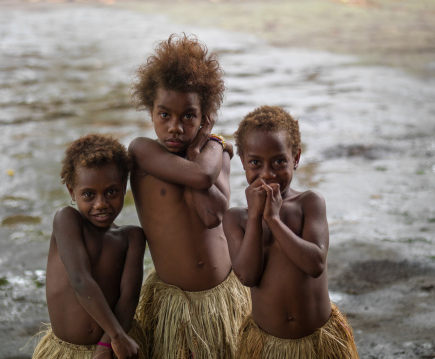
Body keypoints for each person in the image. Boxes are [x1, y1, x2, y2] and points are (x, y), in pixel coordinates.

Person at [128, 33, 251, 359]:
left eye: (188, 116)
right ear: (150, 111)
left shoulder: (215, 151)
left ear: (205, 116)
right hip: (174, 302)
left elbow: (213, 216)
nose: (175, 128)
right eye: (164, 114)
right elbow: (199, 176)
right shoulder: (142, 153)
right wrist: (199, 150)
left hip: (222, 296)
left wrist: (200, 149)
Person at [223, 105, 359, 358]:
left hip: (318, 340)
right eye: (255, 162)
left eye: (279, 161)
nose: (267, 173)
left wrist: (273, 219)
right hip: (267, 344)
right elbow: (247, 276)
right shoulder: (236, 218)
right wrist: (255, 217)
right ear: (242, 162)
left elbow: (315, 263)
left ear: (295, 159)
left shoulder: (310, 203)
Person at [32, 134, 147, 359]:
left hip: (113, 348)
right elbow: (80, 280)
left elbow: (128, 297)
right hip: (70, 349)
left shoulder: (132, 237)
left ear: (124, 187)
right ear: (71, 191)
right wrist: (115, 335)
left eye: (111, 192)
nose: (101, 203)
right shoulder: (66, 220)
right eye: (88, 195)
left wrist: (107, 345)